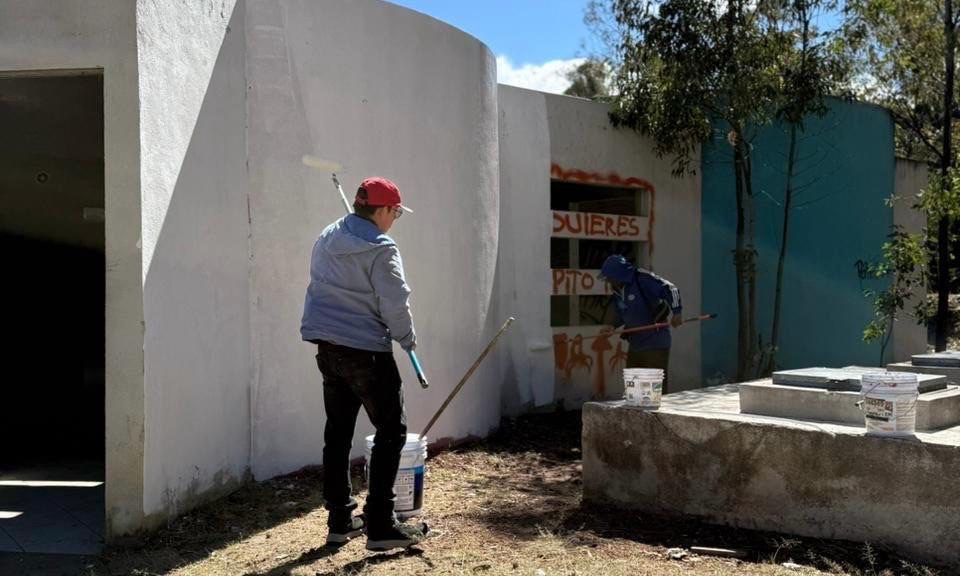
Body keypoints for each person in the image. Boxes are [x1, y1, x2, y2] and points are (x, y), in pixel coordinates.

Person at [300, 176, 427, 551]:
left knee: (338, 434)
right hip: (366, 352)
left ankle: (340, 521)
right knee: (392, 431)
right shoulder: (381, 248)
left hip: (328, 349)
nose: (394, 220)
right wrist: (407, 338)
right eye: (395, 213)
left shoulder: (328, 236)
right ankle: (381, 525)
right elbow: (394, 301)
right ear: (383, 209)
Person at [599, 254, 683, 392]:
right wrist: (612, 325)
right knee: (633, 388)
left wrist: (677, 311)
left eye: (609, 278)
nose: (607, 281)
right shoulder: (617, 290)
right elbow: (622, 312)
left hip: (655, 343)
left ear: (618, 275)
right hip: (636, 345)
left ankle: (659, 406)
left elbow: (671, 289)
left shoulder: (642, 279)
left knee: (654, 389)